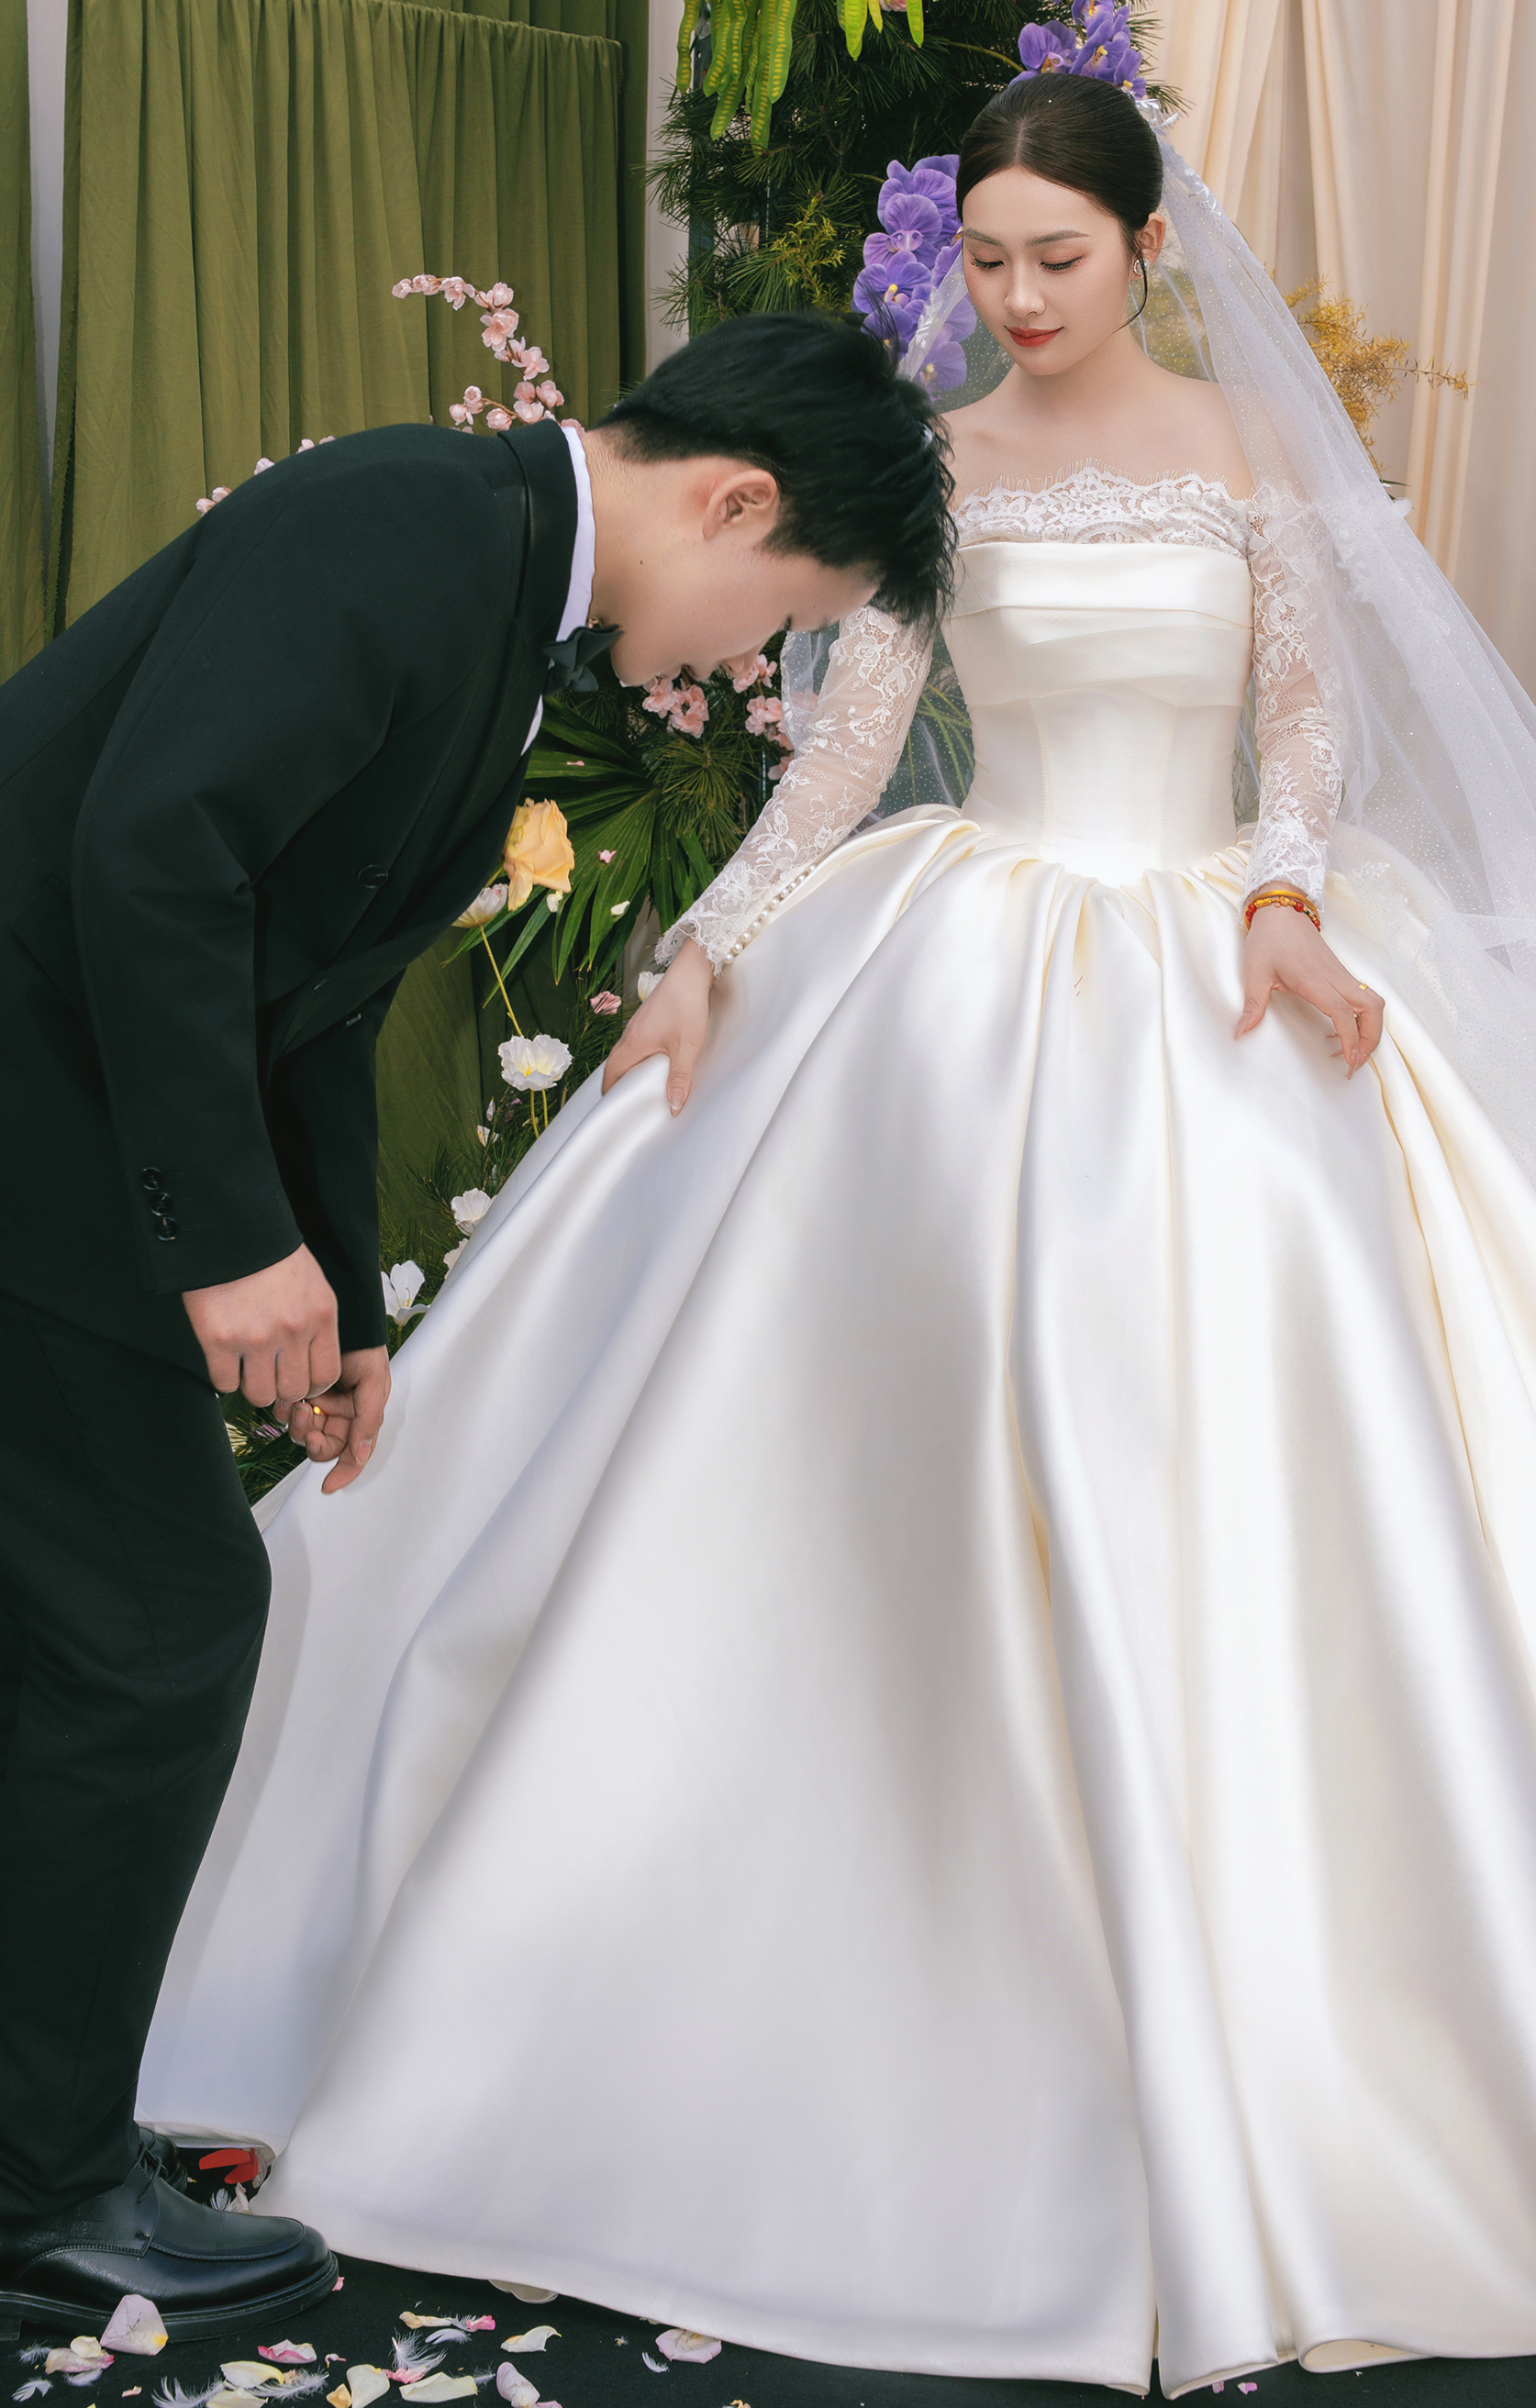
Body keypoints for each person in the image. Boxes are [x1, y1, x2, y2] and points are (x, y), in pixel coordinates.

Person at [139, 79, 1536, 2386]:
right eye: (989, 258)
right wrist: (711, 945)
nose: (1015, 297)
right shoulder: (926, 472)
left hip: (1214, 955)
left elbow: (1302, 731)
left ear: (1144, 247)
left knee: (1303, 1458)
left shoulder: (1253, 453)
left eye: (1058, 257)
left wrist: (1286, 897)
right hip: (967, 962)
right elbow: (846, 753)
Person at [0, 316, 952, 2341]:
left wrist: (339, 1297)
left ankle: (38, 2130)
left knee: (88, 1633)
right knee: (156, 1631)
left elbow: (322, 981)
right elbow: (157, 858)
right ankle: (38, 2188)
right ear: (738, 502)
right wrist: (221, 1241)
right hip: (34, 1114)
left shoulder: (495, 571)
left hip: (72, 1126)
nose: (742, 658)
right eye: (782, 614)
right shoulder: (406, 520)